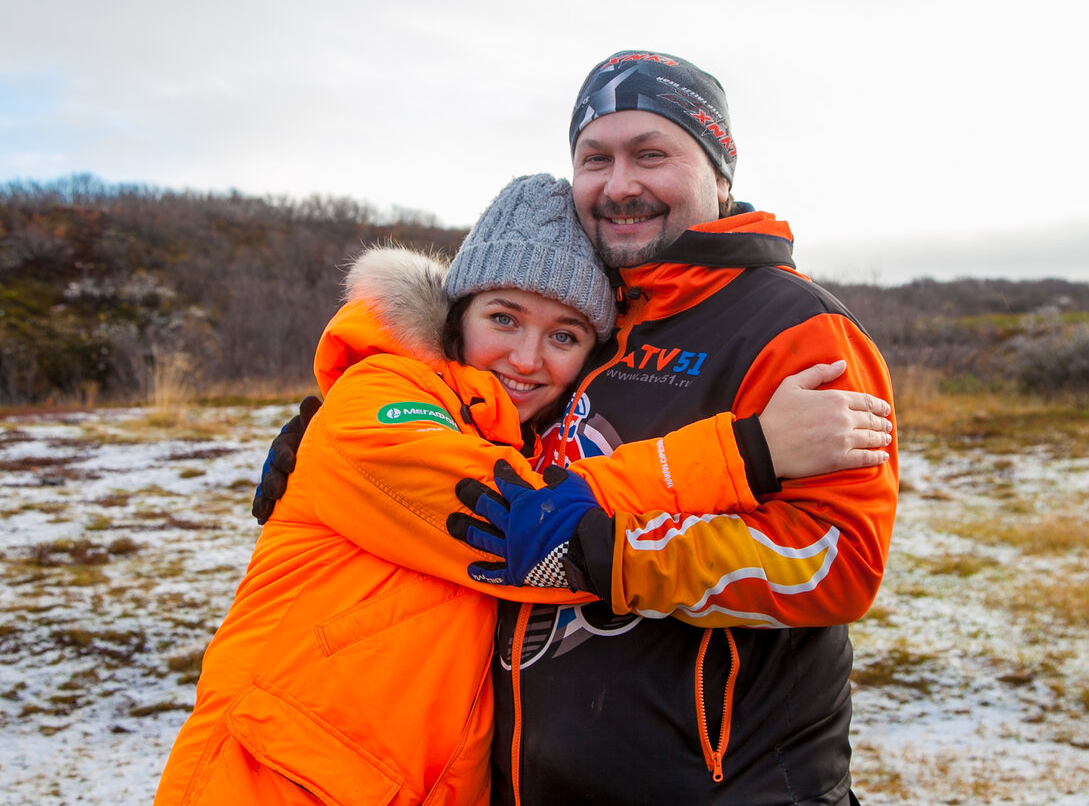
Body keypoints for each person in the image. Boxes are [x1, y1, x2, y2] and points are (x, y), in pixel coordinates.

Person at [156, 174, 893, 805]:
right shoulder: (378, 401)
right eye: (504, 318)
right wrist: (748, 450)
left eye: (565, 335)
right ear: (455, 317)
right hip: (276, 775)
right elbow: (527, 524)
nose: (526, 358)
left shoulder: (508, 431)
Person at [445, 51, 900, 805]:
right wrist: (347, 421)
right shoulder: (584, 317)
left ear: (719, 171)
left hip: (731, 786)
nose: (620, 184)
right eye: (596, 158)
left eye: (650, 154)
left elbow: (839, 560)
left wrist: (613, 556)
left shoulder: (794, 327)